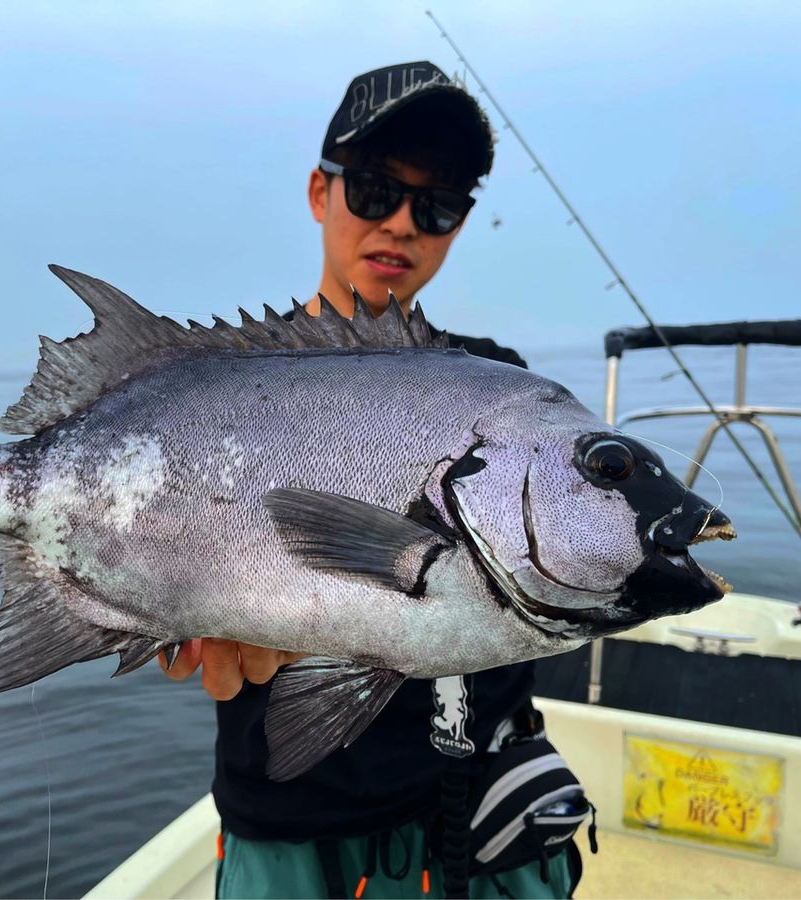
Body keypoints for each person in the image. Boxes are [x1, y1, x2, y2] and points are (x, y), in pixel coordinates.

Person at [162, 61, 578, 899]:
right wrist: (167, 620)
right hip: (286, 825)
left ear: (459, 225)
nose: (401, 224)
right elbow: (175, 581)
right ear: (321, 191)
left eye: (437, 206)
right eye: (376, 190)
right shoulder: (216, 389)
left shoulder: (498, 387)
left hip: (471, 817)